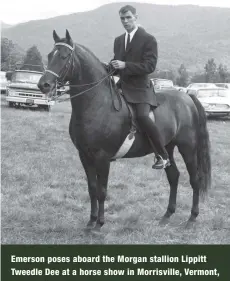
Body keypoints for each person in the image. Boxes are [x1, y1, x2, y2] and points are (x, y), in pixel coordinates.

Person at [109, 5, 170, 169]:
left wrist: (125, 65)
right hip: (121, 87)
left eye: (128, 17)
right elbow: (117, 64)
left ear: (136, 17)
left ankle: (162, 156)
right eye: (122, 18)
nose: (125, 21)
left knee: (143, 117)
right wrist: (109, 66)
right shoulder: (118, 40)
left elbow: (150, 66)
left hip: (141, 90)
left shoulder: (149, 39)